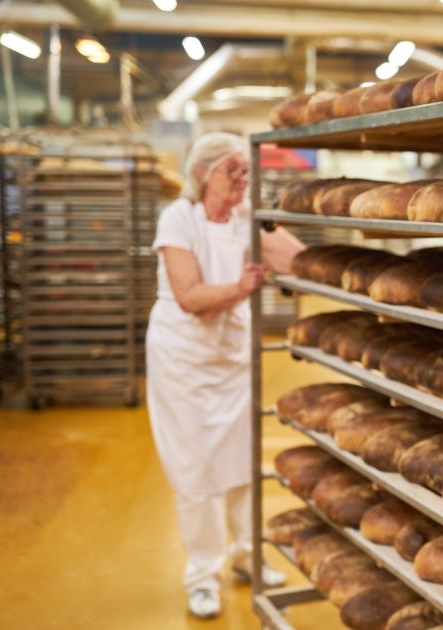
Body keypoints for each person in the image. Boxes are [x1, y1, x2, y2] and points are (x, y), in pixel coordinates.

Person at [146, 132, 305, 619]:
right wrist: (242, 287)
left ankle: (246, 556)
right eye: (232, 169)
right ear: (203, 173)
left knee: (240, 463)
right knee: (196, 471)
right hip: (184, 359)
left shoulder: (243, 218)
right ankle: (201, 574)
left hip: (231, 356)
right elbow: (191, 297)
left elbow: (299, 260)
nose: (242, 179)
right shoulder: (178, 218)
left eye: (245, 170)